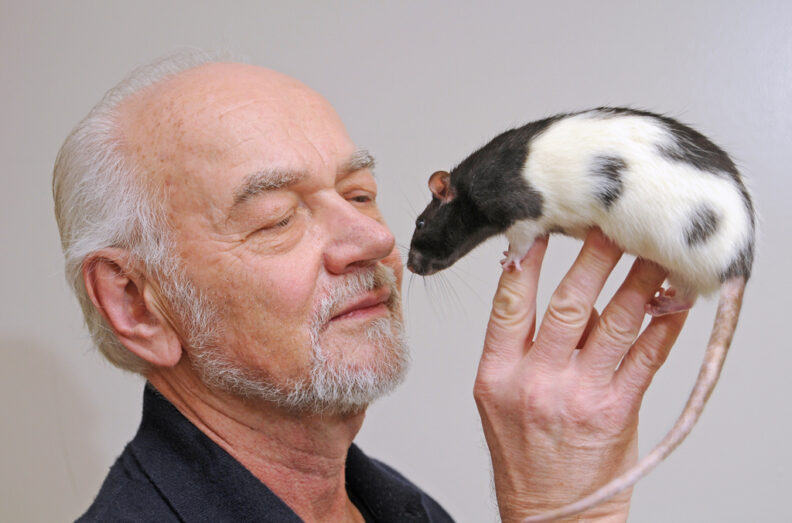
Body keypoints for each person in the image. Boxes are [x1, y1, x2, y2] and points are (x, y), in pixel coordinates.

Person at [53, 53, 687, 522]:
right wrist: (559, 513)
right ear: (136, 304)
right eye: (277, 216)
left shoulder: (405, 511)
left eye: (360, 194)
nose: (374, 239)